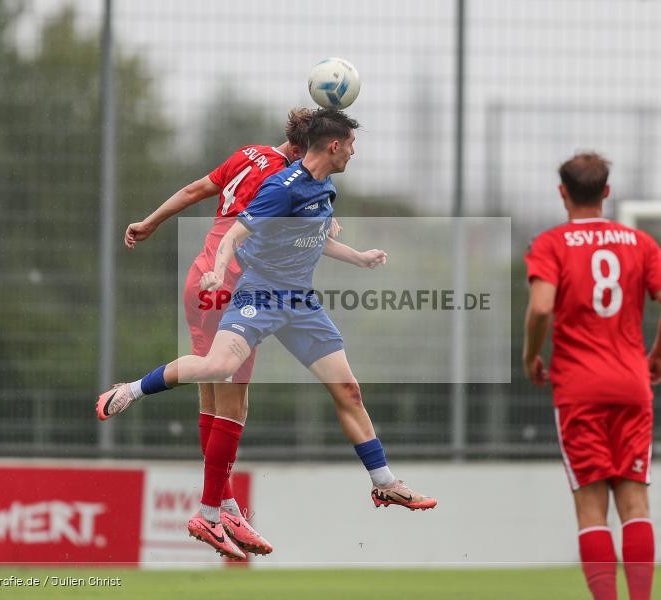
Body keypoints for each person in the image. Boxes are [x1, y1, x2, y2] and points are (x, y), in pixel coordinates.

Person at [97, 108, 436, 560]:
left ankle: (383, 483)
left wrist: (358, 257)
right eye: (351, 144)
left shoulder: (322, 187)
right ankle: (137, 391)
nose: (355, 151)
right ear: (333, 145)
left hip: (300, 304)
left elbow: (311, 238)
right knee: (220, 373)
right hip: (258, 294)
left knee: (348, 390)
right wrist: (219, 273)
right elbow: (236, 234)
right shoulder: (281, 186)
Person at [98, 108, 317, 560]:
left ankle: (228, 505)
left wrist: (151, 221)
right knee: (234, 404)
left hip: (199, 278)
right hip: (234, 285)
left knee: (214, 399)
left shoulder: (248, 155)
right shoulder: (288, 180)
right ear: (300, 149)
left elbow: (197, 189)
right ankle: (211, 511)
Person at [523, 152, 661, 600]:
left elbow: (540, 307)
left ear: (563, 193)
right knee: (635, 505)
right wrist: (658, 356)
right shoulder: (640, 243)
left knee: (592, 510)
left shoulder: (551, 244)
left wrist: (530, 356)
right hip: (633, 387)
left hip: (579, 390)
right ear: (607, 193)